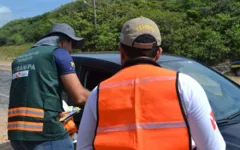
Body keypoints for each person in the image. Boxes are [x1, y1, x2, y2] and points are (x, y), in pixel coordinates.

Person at [76, 16, 226, 150]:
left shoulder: (99, 92)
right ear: (158, 53)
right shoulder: (184, 85)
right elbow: (214, 146)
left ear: (122, 52)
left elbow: (83, 146)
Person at [8, 23, 90, 150]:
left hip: (16, 135)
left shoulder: (19, 59)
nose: (71, 50)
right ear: (63, 41)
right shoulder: (59, 53)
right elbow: (80, 97)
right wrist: (106, 97)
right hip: (46, 133)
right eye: (72, 44)